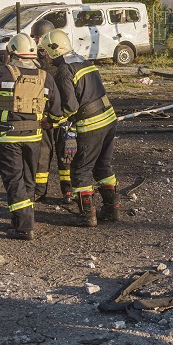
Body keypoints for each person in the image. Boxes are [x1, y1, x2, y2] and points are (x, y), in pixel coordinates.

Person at [0, 33, 59, 240]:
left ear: (11, 52)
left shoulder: (2, 72)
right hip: (34, 137)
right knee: (28, 179)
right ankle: (23, 220)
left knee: (14, 180)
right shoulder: (46, 77)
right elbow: (57, 109)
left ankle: (24, 227)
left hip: (8, 137)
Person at [64, 50, 119, 227]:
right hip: (109, 118)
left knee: (81, 169)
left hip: (91, 124)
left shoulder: (65, 70)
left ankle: (87, 216)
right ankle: (111, 210)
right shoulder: (83, 61)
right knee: (103, 165)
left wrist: (52, 119)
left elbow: (70, 106)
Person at [30, 20, 67, 201]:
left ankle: (68, 192)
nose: (37, 42)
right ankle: (39, 190)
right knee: (42, 154)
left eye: (40, 38)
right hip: (44, 116)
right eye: (35, 38)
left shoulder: (62, 61)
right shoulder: (33, 60)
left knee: (66, 154)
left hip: (62, 117)